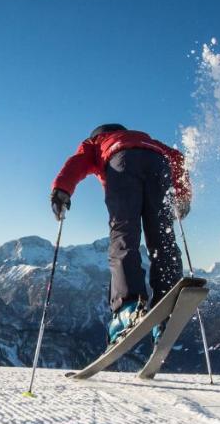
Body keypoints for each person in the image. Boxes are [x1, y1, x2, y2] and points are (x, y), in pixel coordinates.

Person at [50, 123, 191, 346]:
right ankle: (167, 303)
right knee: (162, 234)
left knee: (124, 234)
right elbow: (177, 159)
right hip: (158, 164)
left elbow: (77, 162)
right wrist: (183, 195)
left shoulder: (97, 143)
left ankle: (127, 306)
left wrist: (61, 189)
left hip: (122, 164)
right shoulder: (147, 138)